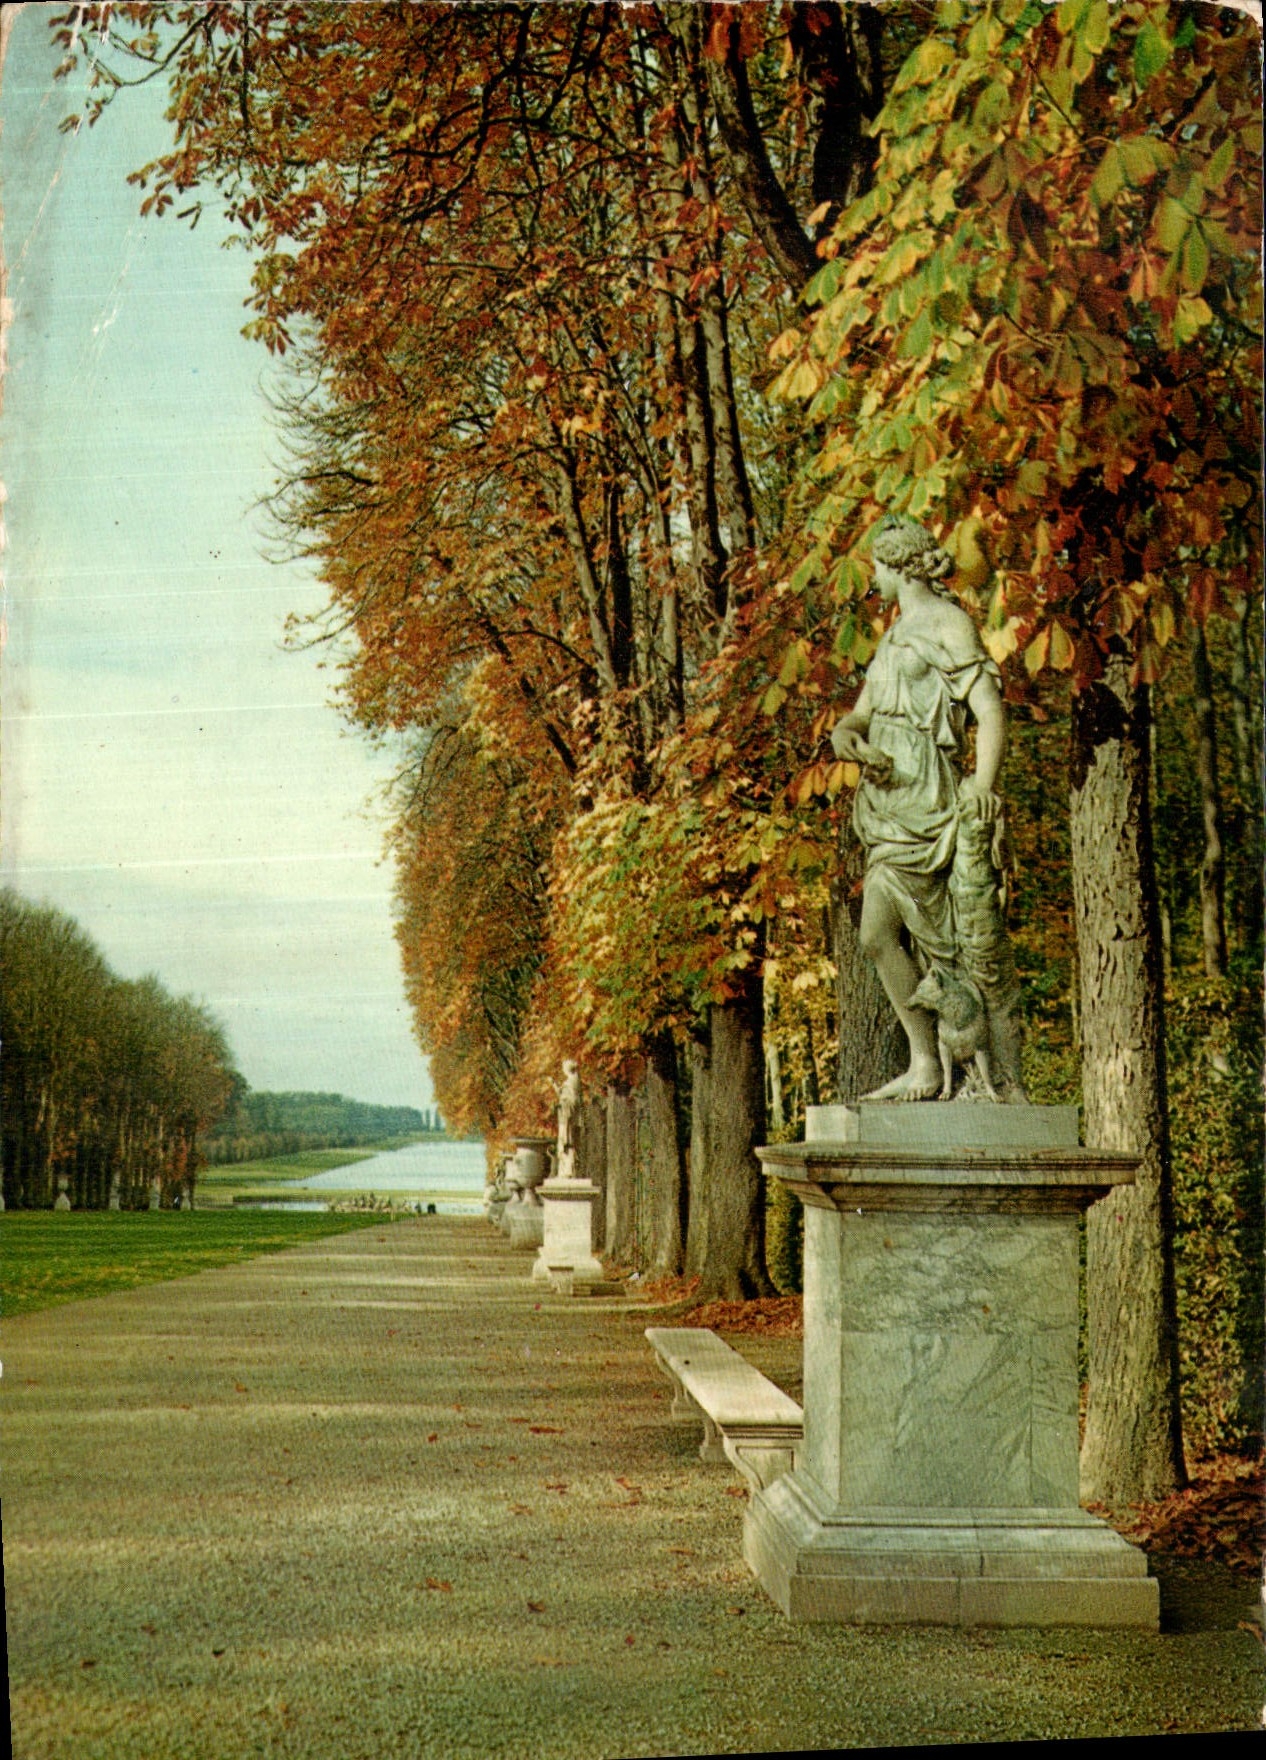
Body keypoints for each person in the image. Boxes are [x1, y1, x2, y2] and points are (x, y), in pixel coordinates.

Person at [831, 515, 1019, 1101]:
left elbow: (988, 708)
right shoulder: (894, 632)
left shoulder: (947, 623)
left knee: (940, 941)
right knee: (876, 936)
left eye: (878, 569)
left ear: (900, 566)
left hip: (926, 799)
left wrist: (982, 782)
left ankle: (965, 1063)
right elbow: (863, 710)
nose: (874, 581)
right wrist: (847, 732)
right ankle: (924, 1060)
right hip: (886, 802)